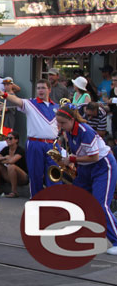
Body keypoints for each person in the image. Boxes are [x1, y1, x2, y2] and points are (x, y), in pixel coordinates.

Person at [54, 105, 117, 255]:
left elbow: (94, 156)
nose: (60, 126)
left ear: (71, 120)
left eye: (62, 123)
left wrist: (71, 159)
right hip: (85, 167)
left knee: (101, 205)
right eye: (58, 123)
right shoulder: (69, 131)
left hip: (102, 166)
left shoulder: (85, 131)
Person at [0, 79, 58, 197]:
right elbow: (17, 101)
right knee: (36, 174)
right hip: (35, 143)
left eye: (43, 88)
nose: (40, 90)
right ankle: (35, 199)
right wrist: (5, 95)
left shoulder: (57, 107)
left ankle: (53, 201)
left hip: (52, 144)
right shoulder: (31, 103)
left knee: (53, 174)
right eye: (38, 88)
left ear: (49, 89)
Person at [0, 131, 28, 198]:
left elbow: (11, 161)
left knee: (11, 166)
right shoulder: (6, 149)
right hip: (10, 175)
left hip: (23, 177)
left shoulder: (20, 150)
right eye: (7, 138)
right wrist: (4, 158)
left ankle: (14, 191)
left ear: (16, 140)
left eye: (10, 138)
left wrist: (1, 160)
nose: (8, 140)